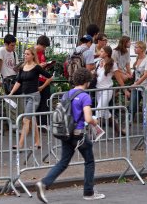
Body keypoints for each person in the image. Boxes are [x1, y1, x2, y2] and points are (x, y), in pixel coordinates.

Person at [35, 68, 105, 203]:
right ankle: (88, 192)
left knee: (63, 162)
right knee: (89, 161)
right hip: (79, 134)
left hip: (66, 133)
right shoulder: (85, 96)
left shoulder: (67, 94)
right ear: (87, 82)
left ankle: (43, 183)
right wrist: (96, 122)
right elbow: (88, 118)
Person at [9, 47, 53, 149]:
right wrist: (11, 93)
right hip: (26, 96)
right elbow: (18, 82)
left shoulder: (37, 67)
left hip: (34, 97)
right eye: (25, 54)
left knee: (26, 120)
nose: (25, 56)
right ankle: (38, 142)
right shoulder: (23, 67)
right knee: (32, 119)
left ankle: (20, 144)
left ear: (33, 55)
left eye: (28, 54)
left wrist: (42, 87)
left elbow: (50, 76)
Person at [95, 46, 126, 119]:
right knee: (105, 112)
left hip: (107, 89)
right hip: (98, 89)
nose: (100, 53)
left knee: (98, 110)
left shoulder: (112, 64)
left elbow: (118, 78)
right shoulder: (99, 62)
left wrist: (125, 90)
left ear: (106, 54)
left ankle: (95, 130)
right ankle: (117, 129)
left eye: (102, 51)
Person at [130, 41, 147, 122]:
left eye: (136, 47)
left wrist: (136, 84)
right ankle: (129, 122)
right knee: (133, 106)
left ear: (142, 49)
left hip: (145, 87)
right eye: (135, 47)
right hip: (137, 87)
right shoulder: (138, 58)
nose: (134, 49)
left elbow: (146, 74)